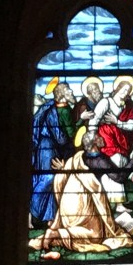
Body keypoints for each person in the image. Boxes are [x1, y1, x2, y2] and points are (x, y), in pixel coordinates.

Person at [30, 132, 133, 257]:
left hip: (68, 202)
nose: (102, 138)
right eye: (99, 137)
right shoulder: (99, 160)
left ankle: (57, 232)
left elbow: (64, 176)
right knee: (96, 236)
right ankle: (55, 234)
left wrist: (64, 168)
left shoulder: (79, 156)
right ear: (94, 143)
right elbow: (120, 177)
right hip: (81, 204)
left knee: (93, 228)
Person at [31, 79, 76, 226]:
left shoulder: (63, 108)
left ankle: (49, 217)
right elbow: (60, 137)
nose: (72, 92)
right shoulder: (51, 111)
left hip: (53, 148)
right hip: (46, 149)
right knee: (47, 179)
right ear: (62, 94)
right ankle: (33, 210)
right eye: (69, 90)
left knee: (53, 180)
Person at [86, 76, 133, 166]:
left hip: (121, 139)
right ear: (118, 88)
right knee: (116, 160)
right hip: (106, 137)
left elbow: (132, 126)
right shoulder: (106, 102)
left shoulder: (128, 106)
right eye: (124, 89)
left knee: (122, 161)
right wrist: (93, 139)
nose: (125, 92)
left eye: (128, 90)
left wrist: (117, 122)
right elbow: (94, 120)